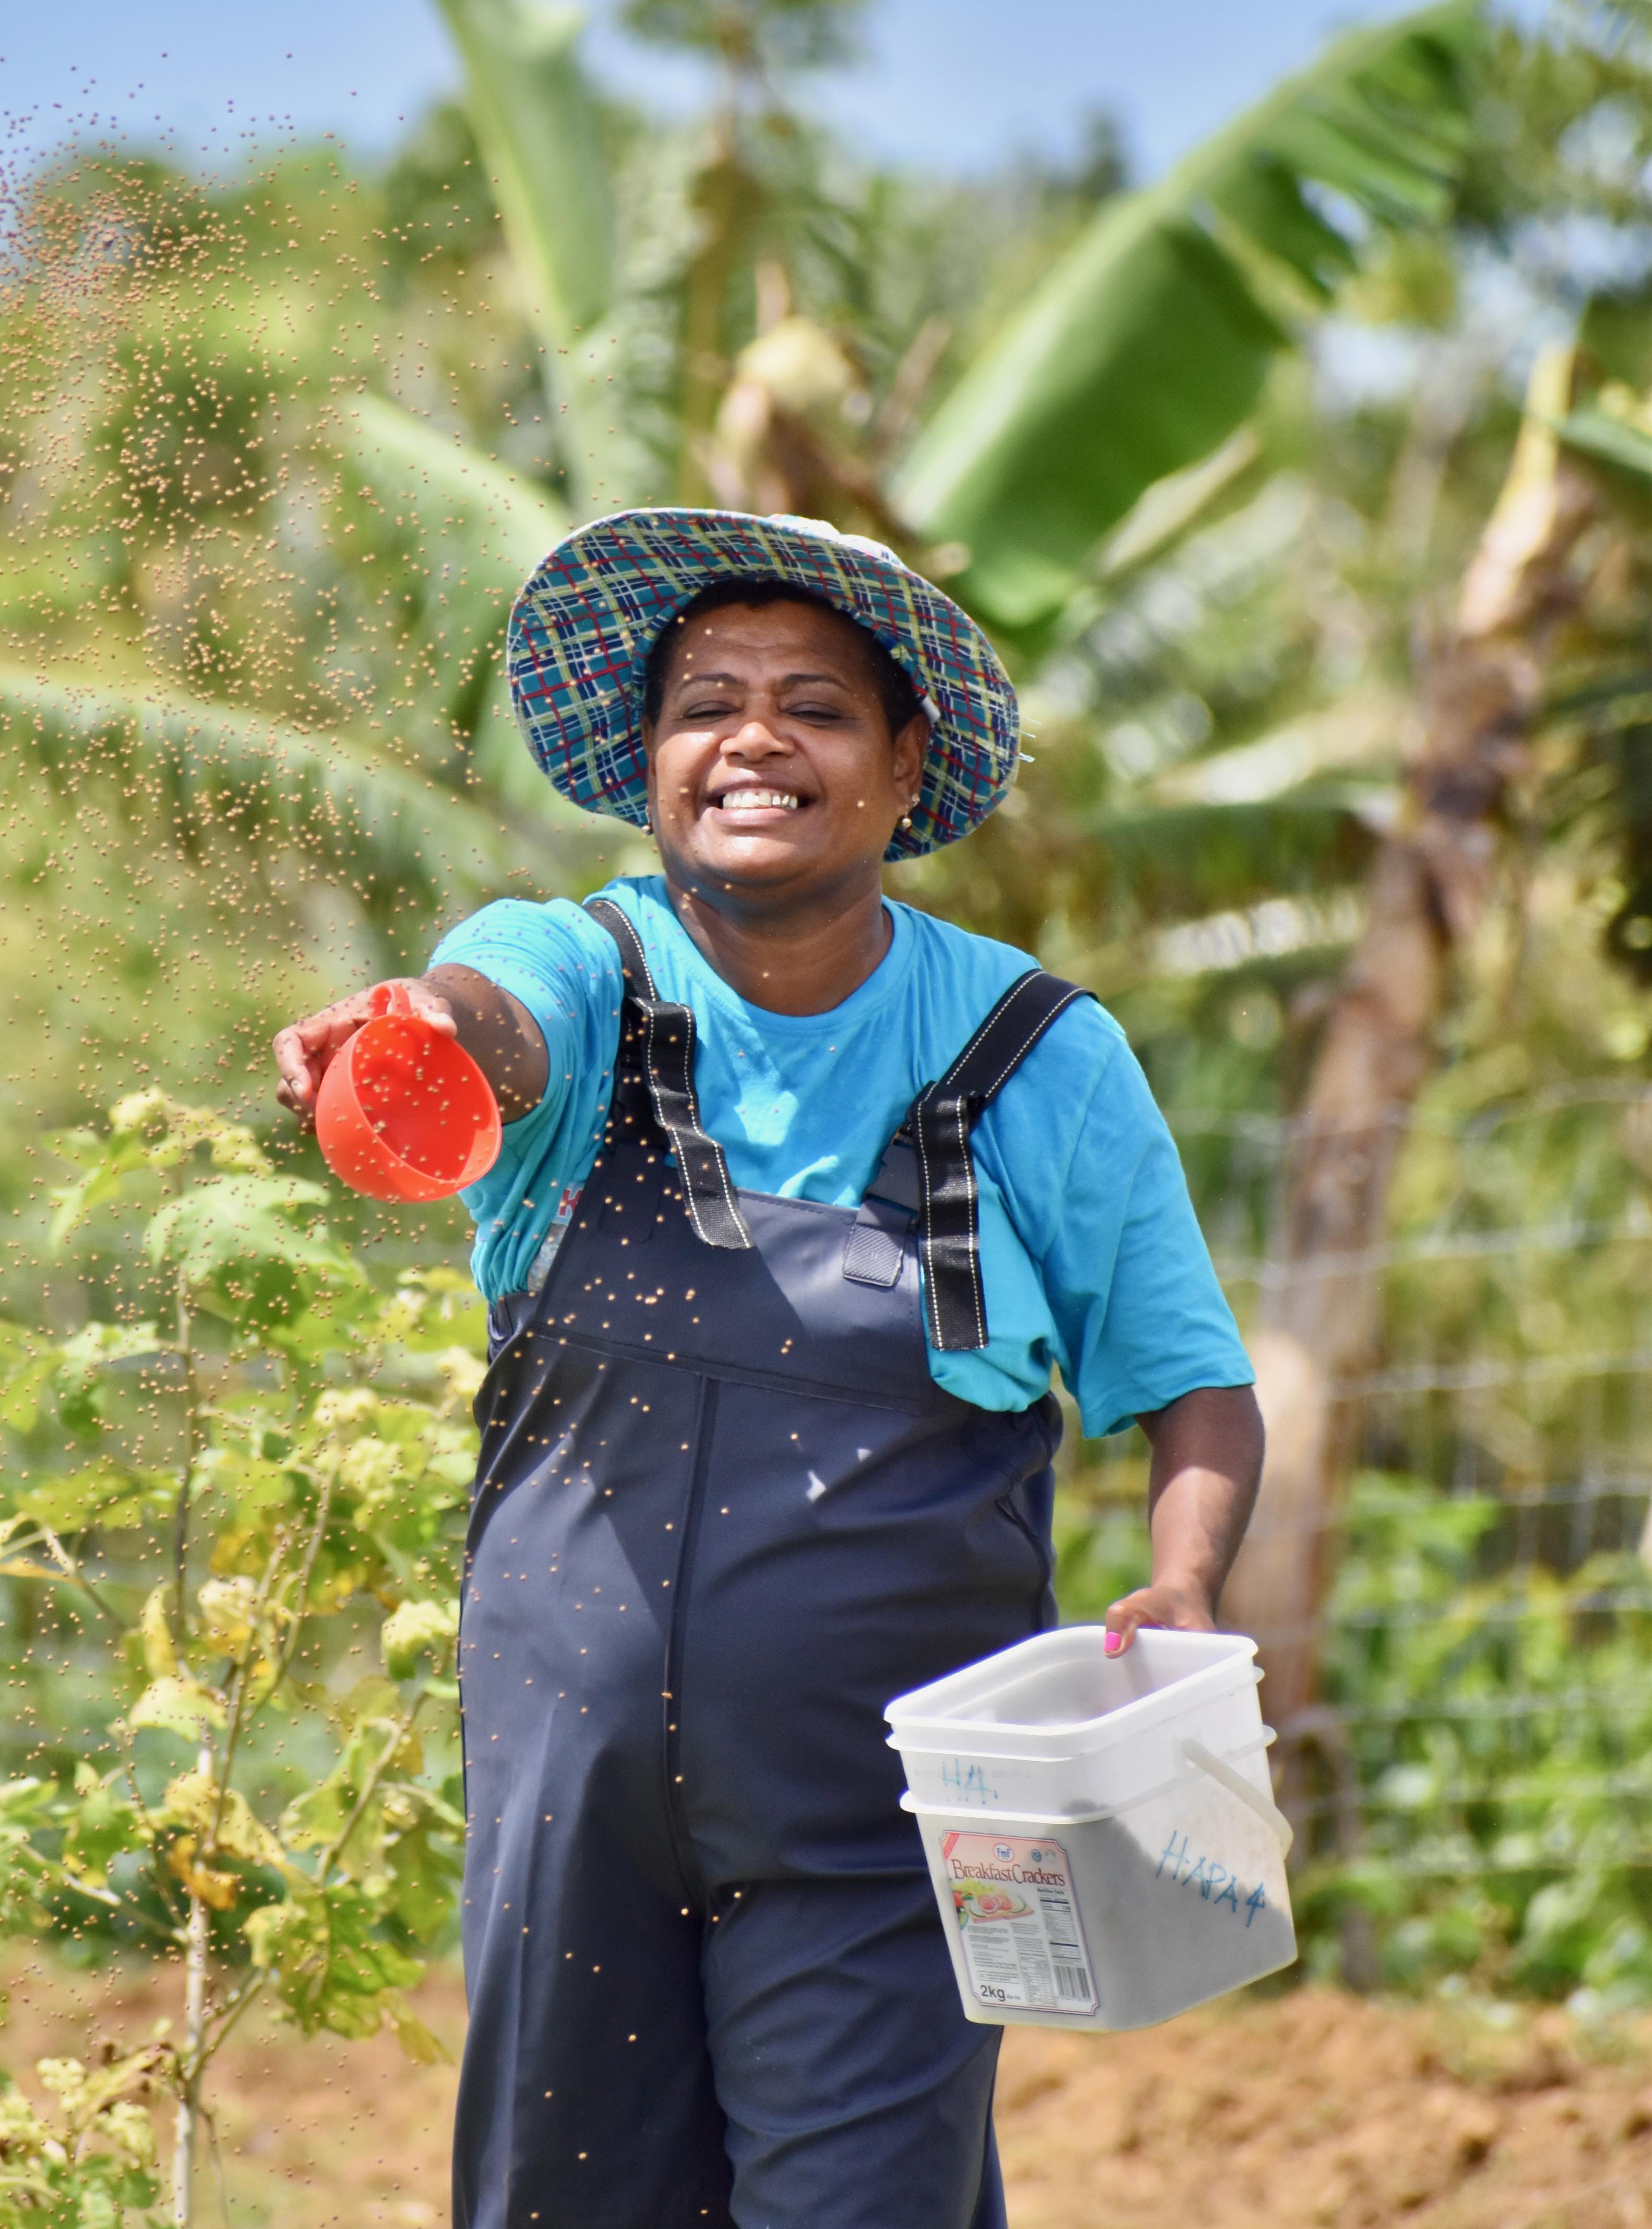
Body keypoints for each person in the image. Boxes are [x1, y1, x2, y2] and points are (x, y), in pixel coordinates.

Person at [273, 510, 1263, 2229]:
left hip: (889, 1832)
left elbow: (1192, 1380)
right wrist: (417, 1041)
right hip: (564, 1812)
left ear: (902, 766)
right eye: (705, 703)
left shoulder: (1033, 1055)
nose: (753, 738)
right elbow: (490, 1016)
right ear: (648, 765)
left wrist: (1180, 1582)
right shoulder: (582, 969)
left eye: (813, 705)